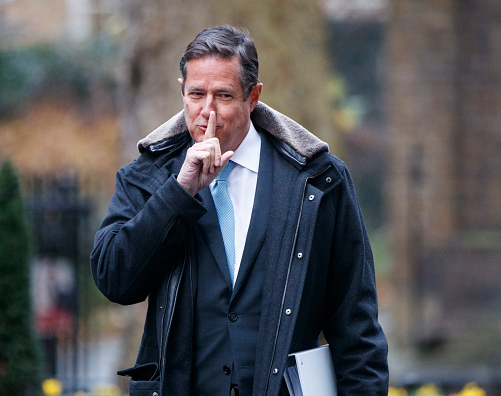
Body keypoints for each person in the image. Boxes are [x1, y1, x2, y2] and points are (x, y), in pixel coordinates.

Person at [91, 25, 388, 396]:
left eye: (224, 95)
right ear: (181, 90)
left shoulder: (318, 180)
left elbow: (357, 329)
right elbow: (114, 279)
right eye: (196, 94)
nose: (207, 112)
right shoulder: (149, 174)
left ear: (253, 97)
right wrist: (178, 193)